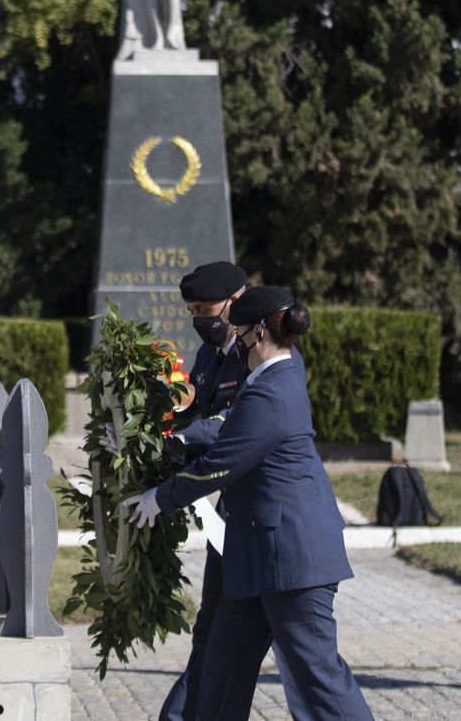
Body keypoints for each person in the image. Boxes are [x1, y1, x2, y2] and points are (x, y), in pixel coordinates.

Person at [124, 286, 371, 720]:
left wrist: (160, 498)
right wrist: (153, 445)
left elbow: (221, 463)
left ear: (259, 332)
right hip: (257, 555)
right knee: (221, 672)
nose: (234, 345)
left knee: (318, 682)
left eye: (239, 334)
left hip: (293, 559)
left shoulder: (273, 391)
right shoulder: (266, 382)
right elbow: (214, 439)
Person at [159, 260, 255, 721]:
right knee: (211, 631)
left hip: (265, 518)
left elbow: (233, 425)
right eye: (192, 311)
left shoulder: (259, 355)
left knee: (306, 662)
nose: (199, 319)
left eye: (206, 310)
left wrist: (179, 441)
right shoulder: (208, 356)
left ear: (235, 301)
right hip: (231, 517)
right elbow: (194, 411)